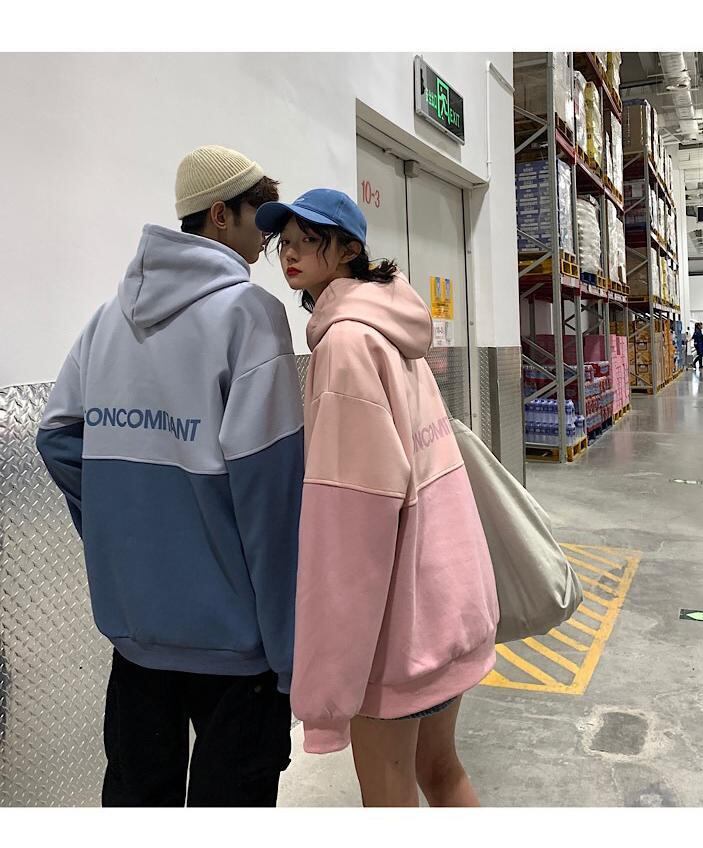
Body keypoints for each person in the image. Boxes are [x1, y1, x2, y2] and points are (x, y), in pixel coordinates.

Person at [36, 145, 304, 807]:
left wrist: (119, 529)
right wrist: (291, 653)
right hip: (236, 648)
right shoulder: (251, 316)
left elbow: (57, 437)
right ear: (220, 214)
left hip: (136, 637)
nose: (268, 238)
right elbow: (270, 505)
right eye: (259, 217)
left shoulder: (108, 318)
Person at [256, 189, 500, 808]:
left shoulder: (344, 345)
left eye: (308, 240)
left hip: (400, 628)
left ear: (349, 249)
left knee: (388, 799)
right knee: (442, 773)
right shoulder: (394, 328)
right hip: (449, 600)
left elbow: (352, 527)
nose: (290, 253)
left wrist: (329, 680)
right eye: (285, 242)